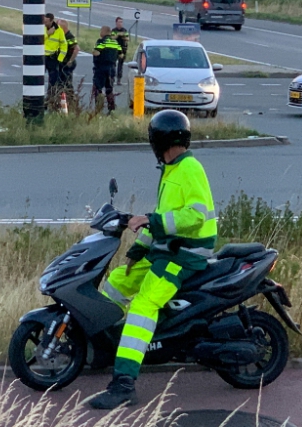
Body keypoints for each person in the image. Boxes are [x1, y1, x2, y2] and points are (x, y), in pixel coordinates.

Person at [89, 110, 217, 410]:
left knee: (144, 304)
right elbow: (159, 221)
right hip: (168, 249)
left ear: (159, 140)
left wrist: (152, 223)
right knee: (117, 282)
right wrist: (138, 250)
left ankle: (124, 384)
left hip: (185, 255)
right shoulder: (171, 169)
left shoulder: (189, 169)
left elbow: (194, 217)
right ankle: (104, 345)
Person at [91, 26, 122, 113]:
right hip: (112, 68)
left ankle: (98, 108)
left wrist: (94, 52)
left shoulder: (101, 41)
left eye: (101, 31)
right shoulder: (115, 42)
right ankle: (111, 109)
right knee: (109, 89)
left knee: (98, 88)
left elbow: (96, 52)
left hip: (101, 68)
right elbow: (121, 55)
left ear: (104, 32)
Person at [44, 13, 68, 99]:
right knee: (37, 80)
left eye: (46, 21)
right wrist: (47, 34)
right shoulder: (41, 28)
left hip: (52, 58)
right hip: (41, 58)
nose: (44, 23)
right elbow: (36, 40)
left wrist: (60, 58)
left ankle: (50, 99)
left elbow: (64, 45)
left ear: (51, 20)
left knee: (53, 81)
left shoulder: (59, 31)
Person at [58, 19, 79, 92]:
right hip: (62, 62)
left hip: (66, 63)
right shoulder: (62, 36)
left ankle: (70, 98)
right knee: (60, 83)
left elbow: (76, 49)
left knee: (66, 83)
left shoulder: (69, 37)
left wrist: (70, 61)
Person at [111, 17, 130, 86]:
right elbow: (112, 37)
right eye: (119, 22)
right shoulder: (113, 30)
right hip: (114, 49)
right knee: (113, 64)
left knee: (120, 64)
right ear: (116, 23)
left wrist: (121, 35)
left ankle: (119, 79)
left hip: (122, 49)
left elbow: (127, 38)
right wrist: (119, 35)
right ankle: (112, 78)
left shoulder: (124, 30)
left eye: (121, 22)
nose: (120, 23)